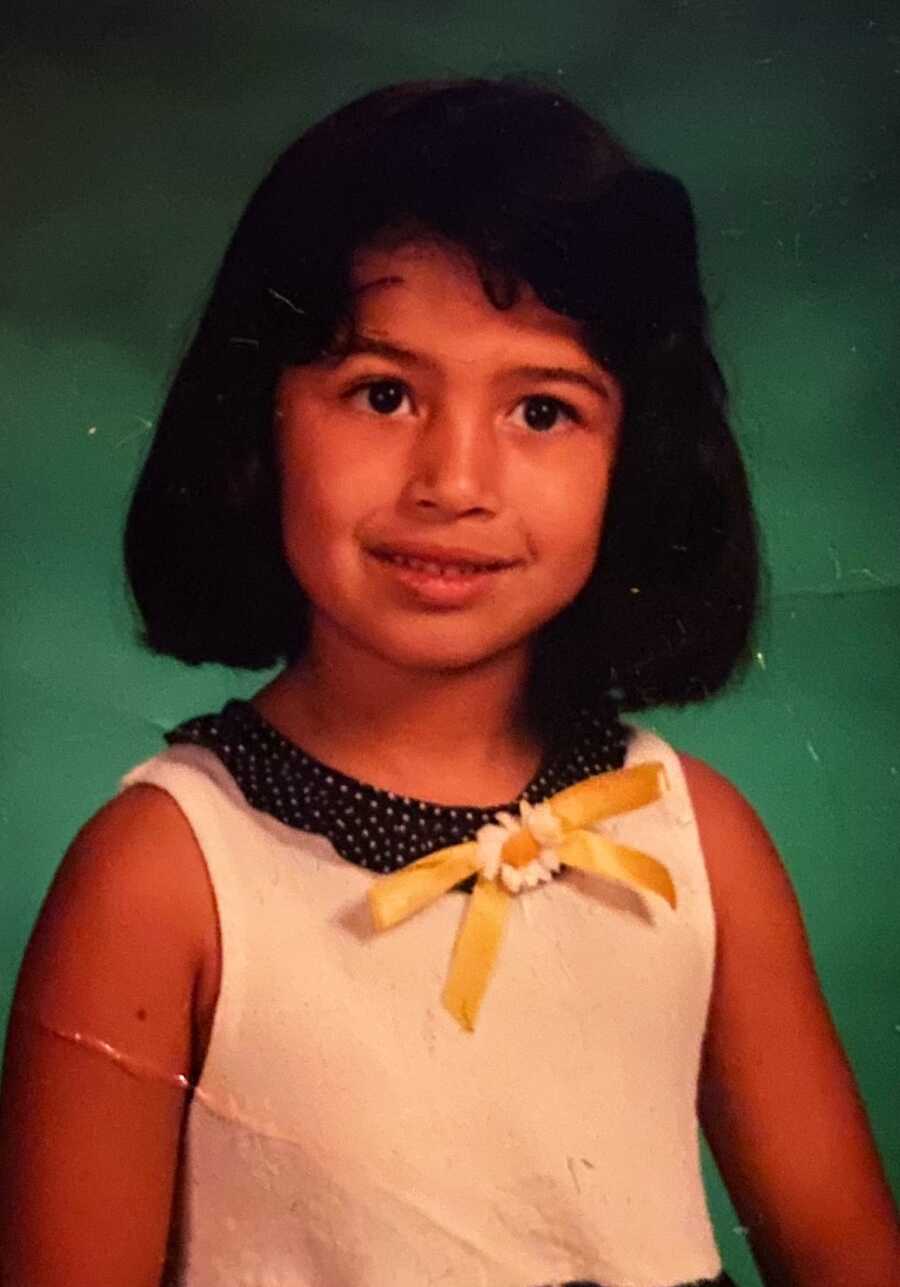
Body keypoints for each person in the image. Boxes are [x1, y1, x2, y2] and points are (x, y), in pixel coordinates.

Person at [0, 78, 895, 1287]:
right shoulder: (162, 873)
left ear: (636, 459)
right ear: (258, 422)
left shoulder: (691, 837)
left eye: (541, 409)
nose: (454, 480)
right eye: (383, 394)